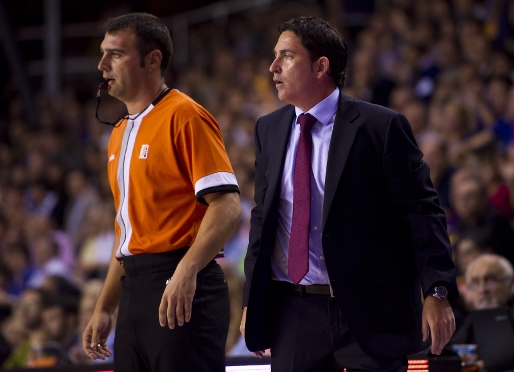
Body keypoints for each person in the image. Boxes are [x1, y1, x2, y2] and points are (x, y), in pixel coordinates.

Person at [240, 17, 457, 372]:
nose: (273, 67)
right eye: (274, 56)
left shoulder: (381, 127)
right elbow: (264, 218)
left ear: (320, 66)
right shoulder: (269, 128)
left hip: (369, 312)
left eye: (287, 56)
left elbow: (422, 214)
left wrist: (437, 291)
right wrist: (252, 300)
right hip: (293, 313)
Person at [81, 13, 241, 372]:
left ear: (152, 60)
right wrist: (105, 306)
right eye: (103, 54)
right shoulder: (119, 131)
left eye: (115, 54)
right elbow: (127, 235)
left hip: (182, 283)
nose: (101, 64)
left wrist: (187, 270)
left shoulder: (186, 115)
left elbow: (227, 204)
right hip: (135, 289)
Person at [449, 253, 514, 345]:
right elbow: (454, 349)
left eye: (491, 280)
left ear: (511, 282)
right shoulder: (473, 319)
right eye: (476, 282)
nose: (482, 289)